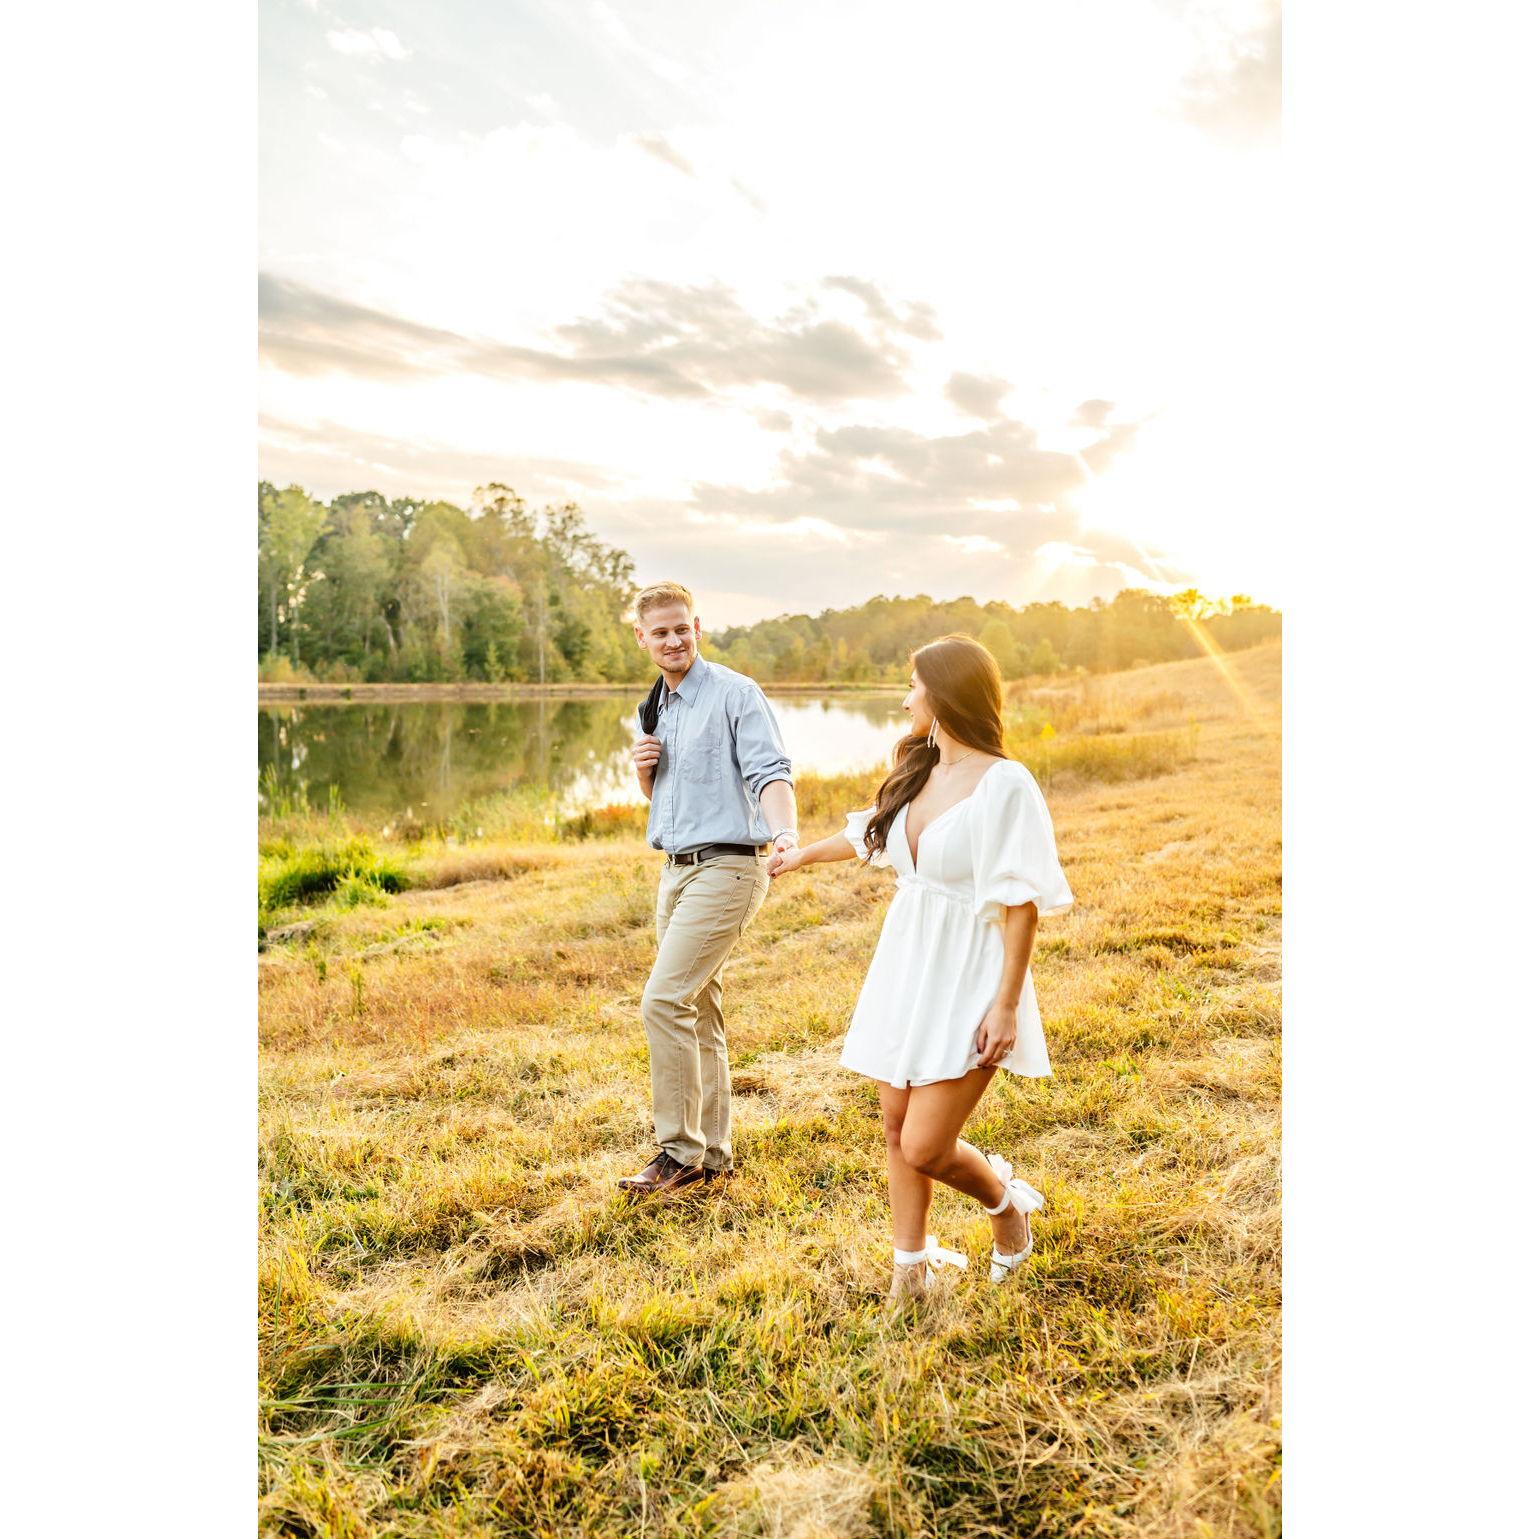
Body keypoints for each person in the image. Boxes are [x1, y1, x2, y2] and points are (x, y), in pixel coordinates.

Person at [767, 633, 1072, 1302]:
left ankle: (1005, 1206)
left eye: (912, 686)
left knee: (927, 1144)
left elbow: (1020, 904)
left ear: (944, 693)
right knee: (895, 1129)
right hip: (905, 964)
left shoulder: (1005, 783)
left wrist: (1005, 1005)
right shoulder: (919, 766)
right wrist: (799, 856)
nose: (905, 699)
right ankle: (909, 1270)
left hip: (970, 969)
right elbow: (867, 833)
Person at [618, 581, 800, 1199]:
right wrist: (644, 774)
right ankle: (714, 1156)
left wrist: (785, 833)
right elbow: (666, 799)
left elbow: (771, 772)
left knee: (663, 999)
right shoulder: (655, 707)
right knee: (697, 1009)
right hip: (675, 870)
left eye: (681, 628)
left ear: (697, 627)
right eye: (660, 632)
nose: (673, 640)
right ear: (641, 638)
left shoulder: (734, 693)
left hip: (728, 868)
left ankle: (678, 1153)